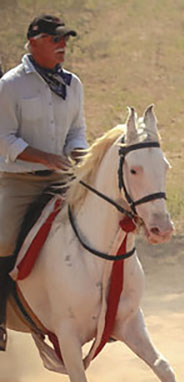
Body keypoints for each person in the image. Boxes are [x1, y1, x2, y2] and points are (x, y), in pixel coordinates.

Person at [0, 15, 87, 351]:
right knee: (4, 243)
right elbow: (3, 139)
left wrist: (79, 152)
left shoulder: (73, 84)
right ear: (34, 41)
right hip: (19, 183)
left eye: (65, 39)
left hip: (63, 178)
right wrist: (44, 157)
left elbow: (77, 129)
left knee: (101, 223)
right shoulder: (10, 85)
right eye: (55, 39)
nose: (62, 45)